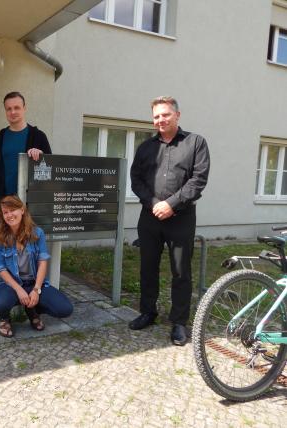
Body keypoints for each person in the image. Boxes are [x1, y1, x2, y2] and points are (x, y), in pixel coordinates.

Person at [129, 96, 210, 346]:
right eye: (156, 116)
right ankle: (148, 312)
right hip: (150, 217)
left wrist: (171, 204)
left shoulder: (196, 143)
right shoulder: (145, 148)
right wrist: (154, 203)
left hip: (181, 218)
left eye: (165, 114)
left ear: (177, 115)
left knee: (180, 271)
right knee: (148, 267)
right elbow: (136, 179)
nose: (160, 120)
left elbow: (198, 180)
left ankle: (178, 322)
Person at [0, 195, 73, 338]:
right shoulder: (0, 237)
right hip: (11, 285)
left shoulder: (37, 233)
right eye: (5, 212)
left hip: (34, 283)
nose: (9, 215)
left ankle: (31, 309)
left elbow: (42, 262)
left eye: (12, 210)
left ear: (22, 210)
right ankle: (4, 318)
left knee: (65, 309)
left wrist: (36, 289)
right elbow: (0, 269)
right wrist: (19, 290)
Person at [0, 91, 51, 223]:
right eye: (9, 109)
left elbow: (50, 171)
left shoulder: (38, 137)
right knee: (6, 243)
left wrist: (41, 156)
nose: (13, 112)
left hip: (29, 206)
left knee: (28, 243)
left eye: (17, 107)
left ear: (24, 108)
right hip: (3, 205)